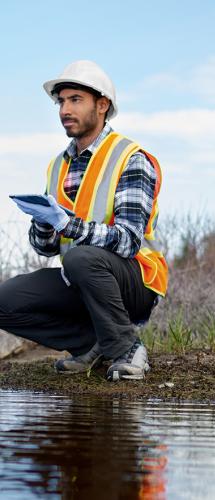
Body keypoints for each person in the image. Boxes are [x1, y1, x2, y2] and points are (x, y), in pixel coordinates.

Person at [0, 60, 168, 381]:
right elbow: (47, 248)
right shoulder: (57, 166)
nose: (65, 109)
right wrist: (44, 222)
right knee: (4, 299)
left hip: (135, 281)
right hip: (79, 277)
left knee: (81, 257)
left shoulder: (131, 159)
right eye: (61, 101)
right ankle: (92, 344)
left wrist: (67, 224)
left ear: (102, 105)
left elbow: (128, 240)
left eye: (75, 99)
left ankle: (127, 350)